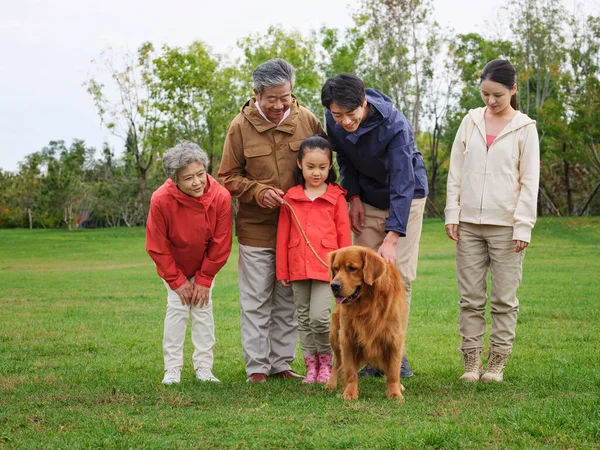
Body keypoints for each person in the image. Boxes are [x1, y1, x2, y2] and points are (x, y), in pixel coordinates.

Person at [218, 58, 325, 383]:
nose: (279, 105)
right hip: (257, 230)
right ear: (256, 94)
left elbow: (325, 164)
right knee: (255, 301)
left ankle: (282, 363)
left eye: (285, 97)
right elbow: (227, 177)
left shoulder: (307, 120)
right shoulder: (239, 126)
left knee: (289, 300)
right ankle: (257, 368)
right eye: (272, 98)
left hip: (298, 231)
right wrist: (255, 191)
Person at [321, 73, 429, 379]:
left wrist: (393, 237)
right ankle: (367, 356)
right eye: (337, 115)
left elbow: (403, 180)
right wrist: (353, 196)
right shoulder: (334, 119)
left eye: (350, 114)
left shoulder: (395, 125)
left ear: (364, 103)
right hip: (367, 198)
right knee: (360, 275)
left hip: (407, 197)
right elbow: (344, 156)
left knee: (398, 275)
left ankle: (395, 353)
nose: (344, 121)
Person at [445, 59, 540, 383]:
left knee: (503, 299)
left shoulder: (525, 128)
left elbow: (530, 181)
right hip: (469, 223)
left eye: (498, 94)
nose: (491, 101)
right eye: (485, 93)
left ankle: (496, 363)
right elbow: (455, 171)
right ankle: (471, 363)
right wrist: (452, 213)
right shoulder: (470, 122)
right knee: (470, 298)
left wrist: (523, 224)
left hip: (507, 226)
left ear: (513, 90)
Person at [146, 141, 233, 385]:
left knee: (203, 311)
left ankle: (204, 368)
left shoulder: (221, 196)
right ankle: (172, 369)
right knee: (177, 310)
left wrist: (204, 281)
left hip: (205, 265)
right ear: (174, 179)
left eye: (200, 174)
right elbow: (157, 245)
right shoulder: (161, 199)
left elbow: (221, 242)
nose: (197, 182)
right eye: (188, 178)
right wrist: (177, 281)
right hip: (174, 267)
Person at [276, 135, 352, 383]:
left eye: (322, 167)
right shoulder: (291, 198)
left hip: (326, 270)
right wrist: (282, 271)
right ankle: (312, 365)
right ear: (299, 164)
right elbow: (282, 237)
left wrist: (346, 275)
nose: (317, 172)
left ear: (330, 166)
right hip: (297, 267)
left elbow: (344, 238)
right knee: (303, 319)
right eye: (311, 167)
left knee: (319, 318)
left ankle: (328, 361)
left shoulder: (336, 197)